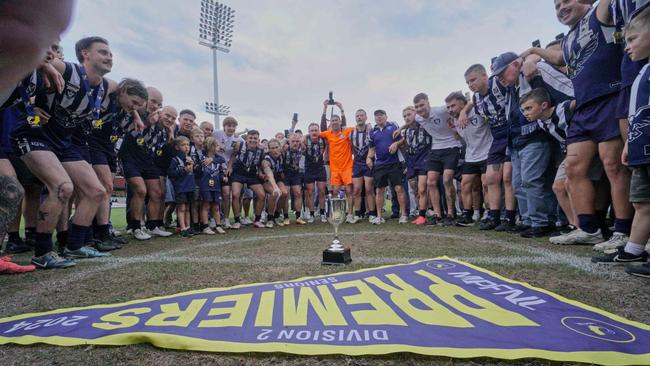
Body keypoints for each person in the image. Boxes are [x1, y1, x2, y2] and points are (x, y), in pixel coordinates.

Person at [523, 0, 633, 248]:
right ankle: (588, 228)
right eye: (556, 5)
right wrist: (535, 52)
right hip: (583, 107)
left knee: (613, 165)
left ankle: (623, 231)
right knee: (573, 168)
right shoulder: (570, 37)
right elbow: (561, 57)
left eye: (566, 1)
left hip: (609, 98)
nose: (561, 8)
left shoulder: (600, 13)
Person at [11, 36, 119, 268]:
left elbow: (131, 91)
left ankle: (74, 246)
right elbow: (29, 55)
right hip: (35, 135)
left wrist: (139, 114)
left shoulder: (105, 87)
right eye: (102, 52)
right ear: (84, 54)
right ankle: (42, 252)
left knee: (96, 191)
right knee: (63, 187)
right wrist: (46, 63)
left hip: (65, 142)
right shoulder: (67, 69)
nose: (109, 56)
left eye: (110, 53)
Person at [592, 8, 650, 270]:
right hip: (641, 148)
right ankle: (634, 250)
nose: (626, 47)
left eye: (632, 39)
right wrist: (629, 143)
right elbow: (636, 114)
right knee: (641, 201)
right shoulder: (639, 73)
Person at [494, 51, 573, 237]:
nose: (499, 78)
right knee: (519, 183)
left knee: (533, 180)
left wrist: (530, 58)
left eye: (501, 73)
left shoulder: (532, 73)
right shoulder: (511, 88)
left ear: (515, 65)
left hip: (535, 138)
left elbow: (567, 92)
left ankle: (542, 221)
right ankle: (529, 219)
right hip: (516, 141)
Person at [89, 78, 147, 249]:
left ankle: (103, 231)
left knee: (107, 190)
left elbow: (130, 108)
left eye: (138, 105)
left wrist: (134, 113)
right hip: (94, 143)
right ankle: (100, 234)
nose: (134, 107)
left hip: (109, 148)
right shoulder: (107, 93)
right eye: (134, 102)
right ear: (124, 91)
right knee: (104, 187)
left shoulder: (126, 111)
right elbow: (110, 82)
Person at [461, 65, 517, 231]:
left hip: (511, 132)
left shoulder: (498, 83)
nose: (470, 85)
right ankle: (493, 216)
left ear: (485, 76)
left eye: (473, 80)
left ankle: (510, 217)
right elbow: (472, 102)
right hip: (496, 138)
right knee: (491, 178)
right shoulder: (476, 98)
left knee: (507, 177)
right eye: (467, 82)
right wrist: (464, 111)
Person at [410, 93, 459, 226]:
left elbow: (460, 107)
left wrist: (462, 117)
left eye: (422, 105)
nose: (420, 109)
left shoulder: (441, 110)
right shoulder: (419, 118)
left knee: (447, 179)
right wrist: (401, 129)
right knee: (431, 182)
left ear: (428, 103)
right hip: (436, 148)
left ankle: (450, 213)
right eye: (417, 106)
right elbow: (409, 122)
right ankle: (437, 215)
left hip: (452, 146)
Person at [446, 92, 493, 226]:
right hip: (471, 156)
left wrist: (465, 111)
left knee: (485, 183)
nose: (450, 110)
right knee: (467, 184)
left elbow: (474, 100)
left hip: (487, 152)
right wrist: (455, 130)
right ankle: (470, 213)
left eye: (453, 106)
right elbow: (463, 137)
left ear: (462, 103)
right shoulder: (454, 120)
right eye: (448, 107)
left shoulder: (477, 109)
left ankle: (489, 213)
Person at [366, 110, 407, 224]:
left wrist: (396, 144)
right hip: (380, 165)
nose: (379, 118)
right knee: (379, 190)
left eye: (381, 115)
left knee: (398, 188)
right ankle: (379, 216)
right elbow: (372, 149)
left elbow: (403, 140)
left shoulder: (393, 125)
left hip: (394, 163)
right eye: (377, 116)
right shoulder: (372, 132)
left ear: (386, 116)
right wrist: (369, 158)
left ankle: (403, 215)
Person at [319, 100, 355, 220]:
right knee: (334, 192)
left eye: (336, 120)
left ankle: (350, 214)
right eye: (333, 120)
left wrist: (342, 109)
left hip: (347, 167)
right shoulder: (328, 134)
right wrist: (324, 109)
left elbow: (362, 129)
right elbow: (318, 131)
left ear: (340, 122)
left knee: (349, 191)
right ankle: (337, 213)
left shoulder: (347, 131)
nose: (334, 122)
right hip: (335, 169)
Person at [228, 130, 267, 229]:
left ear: (258, 139)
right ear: (247, 138)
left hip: (252, 174)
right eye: (251, 138)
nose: (253, 140)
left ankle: (257, 220)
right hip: (238, 173)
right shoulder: (239, 145)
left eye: (255, 138)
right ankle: (237, 220)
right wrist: (229, 167)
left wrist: (261, 172)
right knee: (236, 194)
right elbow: (232, 155)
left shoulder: (261, 150)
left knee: (262, 195)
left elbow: (259, 164)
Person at [400, 106, 431, 225]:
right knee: (415, 189)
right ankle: (421, 211)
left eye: (409, 114)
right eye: (404, 116)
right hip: (411, 161)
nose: (406, 118)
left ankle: (423, 215)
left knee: (423, 188)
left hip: (424, 158)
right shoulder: (406, 132)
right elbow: (407, 146)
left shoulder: (424, 125)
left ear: (415, 114)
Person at [213, 116, 244, 228]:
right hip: (213, 166)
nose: (231, 128)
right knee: (214, 193)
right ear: (224, 126)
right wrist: (216, 146)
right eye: (228, 126)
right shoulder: (216, 133)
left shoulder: (239, 140)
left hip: (227, 168)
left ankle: (226, 218)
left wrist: (229, 167)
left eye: (233, 126)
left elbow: (234, 154)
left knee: (226, 193)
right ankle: (213, 218)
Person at [350, 109, 375, 223]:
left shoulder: (371, 130)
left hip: (368, 163)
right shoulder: (351, 132)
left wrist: (370, 157)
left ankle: (372, 213)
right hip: (357, 164)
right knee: (356, 190)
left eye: (361, 116)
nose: (359, 117)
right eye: (357, 116)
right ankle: (357, 214)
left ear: (366, 117)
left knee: (369, 189)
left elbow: (374, 145)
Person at [168, 136, 195, 237]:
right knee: (181, 208)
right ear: (177, 147)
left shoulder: (190, 159)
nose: (186, 147)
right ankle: (182, 228)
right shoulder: (175, 160)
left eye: (188, 144)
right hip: (181, 187)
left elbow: (195, 172)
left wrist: (193, 165)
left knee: (188, 208)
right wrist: (184, 170)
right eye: (183, 145)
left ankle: (188, 227)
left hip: (190, 187)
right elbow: (171, 173)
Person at [199, 136, 226, 234]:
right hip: (205, 185)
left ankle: (218, 225)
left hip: (216, 186)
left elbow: (222, 161)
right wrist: (209, 159)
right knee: (206, 206)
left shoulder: (218, 158)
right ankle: (205, 226)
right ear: (211, 146)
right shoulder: (202, 157)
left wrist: (223, 176)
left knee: (216, 206)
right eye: (217, 145)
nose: (219, 147)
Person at [304, 123, 328, 223]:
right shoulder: (305, 140)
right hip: (309, 168)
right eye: (312, 130)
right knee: (310, 192)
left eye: (316, 130)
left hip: (320, 168)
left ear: (319, 131)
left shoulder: (323, 139)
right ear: (309, 132)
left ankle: (322, 213)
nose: (314, 132)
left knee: (322, 191)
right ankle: (312, 214)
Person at [260, 139, 286, 228]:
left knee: (285, 193)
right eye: (272, 148)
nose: (274, 150)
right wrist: (275, 187)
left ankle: (276, 215)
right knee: (274, 193)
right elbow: (268, 173)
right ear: (268, 149)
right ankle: (270, 218)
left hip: (278, 178)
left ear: (280, 147)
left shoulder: (282, 154)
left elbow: (287, 139)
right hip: (266, 179)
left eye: (276, 147)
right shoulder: (266, 159)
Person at [283, 133, 306, 225]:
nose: (295, 143)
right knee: (285, 194)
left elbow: (307, 137)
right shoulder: (284, 149)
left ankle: (298, 216)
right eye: (293, 141)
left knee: (298, 193)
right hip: (285, 174)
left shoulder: (302, 148)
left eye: (297, 141)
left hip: (296, 174)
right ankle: (285, 216)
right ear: (289, 141)